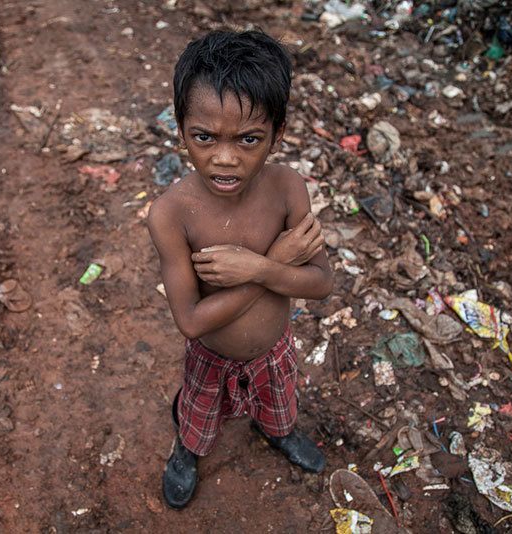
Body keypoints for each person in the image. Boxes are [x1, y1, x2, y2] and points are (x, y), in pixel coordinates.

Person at [147, 29, 334, 510]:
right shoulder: (172, 213)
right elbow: (190, 320)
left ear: (279, 132)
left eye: (249, 139)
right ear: (180, 127)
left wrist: (255, 267)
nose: (224, 158)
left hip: (275, 348)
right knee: (198, 417)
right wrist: (273, 265)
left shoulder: (288, 188)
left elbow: (322, 283)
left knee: (279, 405)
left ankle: (280, 434)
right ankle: (186, 454)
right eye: (203, 137)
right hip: (211, 357)